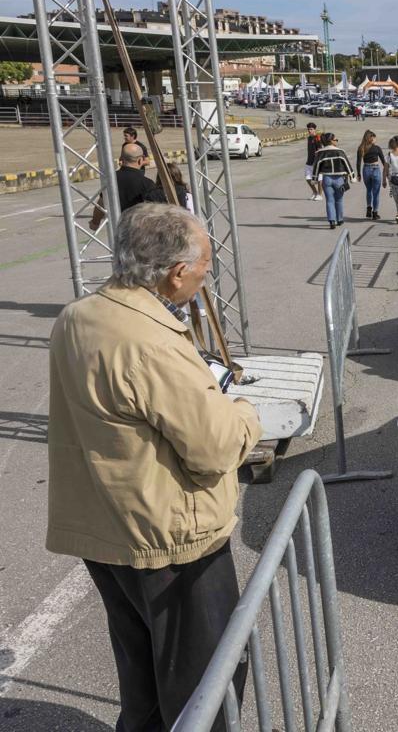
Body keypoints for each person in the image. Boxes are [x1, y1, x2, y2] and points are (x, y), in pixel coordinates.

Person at [47, 203, 263, 732]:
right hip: (169, 538)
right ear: (176, 272)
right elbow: (214, 448)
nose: (205, 279)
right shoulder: (152, 342)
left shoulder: (77, 315)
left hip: (105, 527)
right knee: (206, 681)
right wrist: (247, 414)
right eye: (205, 269)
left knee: (141, 670)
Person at [89, 143, 163, 230]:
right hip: (139, 232)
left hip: (117, 230)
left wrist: (95, 223)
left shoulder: (111, 180)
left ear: (121, 159)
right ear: (140, 160)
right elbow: (158, 211)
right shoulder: (146, 183)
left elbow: (102, 203)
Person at [313, 132, 354, 229]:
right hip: (339, 179)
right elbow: (347, 165)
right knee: (339, 200)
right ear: (331, 141)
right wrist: (352, 177)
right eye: (336, 139)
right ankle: (339, 220)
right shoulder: (340, 152)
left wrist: (314, 179)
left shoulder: (321, 153)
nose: (337, 141)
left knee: (329, 201)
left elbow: (316, 166)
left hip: (326, 179)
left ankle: (332, 221)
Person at [356, 129, 386, 220]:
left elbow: (358, 162)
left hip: (366, 169)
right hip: (375, 169)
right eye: (374, 138)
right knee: (376, 192)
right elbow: (384, 161)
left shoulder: (361, 148)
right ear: (371, 138)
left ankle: (369, 207)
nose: (375, 139)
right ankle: (375, 212)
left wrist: (358, 174)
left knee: (369, 190)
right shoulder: (377, 148)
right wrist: (387, 172)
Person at [303, 122, 322, 199]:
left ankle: (320, 195)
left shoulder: (317, 138)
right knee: (308, 178)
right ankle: (315, 192)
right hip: (309, 162)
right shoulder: (309, 138)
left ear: (315, 129)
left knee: (319, 179)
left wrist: (317, 160)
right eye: (308, 129)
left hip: (317, 162)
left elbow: (320, 150)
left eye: (311, 129)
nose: (309, 131)